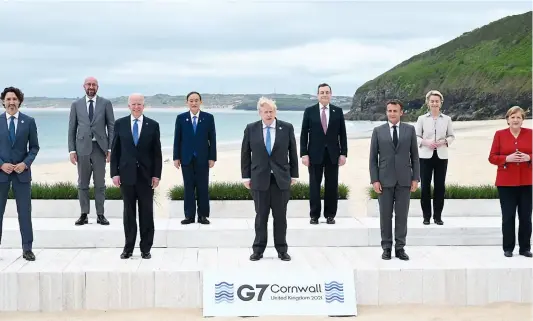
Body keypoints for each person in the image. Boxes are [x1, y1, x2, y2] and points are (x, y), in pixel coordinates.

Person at [241, 97, 298, 261]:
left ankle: (282, 250)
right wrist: (245, 176)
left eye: (271, 111)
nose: (268, 114)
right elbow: (245, 154)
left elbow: (293, 152)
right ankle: (258, 249)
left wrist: (293, 175)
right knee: (261, 216)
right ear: (260, 113)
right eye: (265, 111)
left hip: (281, 179)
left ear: (275, 112)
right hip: (259, 178)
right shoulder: (251, 129)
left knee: (280, 217)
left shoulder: (286, 128)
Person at [110, 93, 162, 259]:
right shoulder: (120, 124)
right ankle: (128, 248)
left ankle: (146, 248)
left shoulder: (153, 125)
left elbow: (157, 153)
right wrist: (114, 173)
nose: (136, 106)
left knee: (146, 213)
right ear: (128, 106)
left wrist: (156, 175)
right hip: (126, 176)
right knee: (129, 213)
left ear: (144, 106)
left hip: (146, 177)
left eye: (139, 104)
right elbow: (115, 151)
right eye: (133, 104)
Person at [369, 99, 420, 261]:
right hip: (384, 180)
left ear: (401, 112)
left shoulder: (410, 130)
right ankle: (386, 248)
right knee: (385, 216)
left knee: (402, 216)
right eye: (389, 111)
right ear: (386, 112)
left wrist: (415, 178)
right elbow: (372, 159)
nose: (392, 113)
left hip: (405, 180)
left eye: (395, 111)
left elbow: (415, 157)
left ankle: (400, 248)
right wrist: (374, 180)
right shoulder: (378, 131)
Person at [68, 77, 115, 226]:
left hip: (100, 148)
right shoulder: (76, 105)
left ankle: (100, 214)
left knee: (100, 183)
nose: (91, 87)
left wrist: (110, 149)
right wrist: (72, 150)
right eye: (89, 84)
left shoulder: (106, 103)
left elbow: (111, 126)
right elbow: (72, 128)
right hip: (82, 148)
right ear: (84, 86)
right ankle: (84, 214)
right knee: (82, 183)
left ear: (97, 87)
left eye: (94, 84)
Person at [0, 87, 40, 261]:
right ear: (3, 101)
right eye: (8, 99)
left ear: (19, 101)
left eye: (14, 99)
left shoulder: (28, 121)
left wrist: (25, 163)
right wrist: (1, 165)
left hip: (22, 175)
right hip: (1, 174)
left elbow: (34, 147)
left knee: (24, 212)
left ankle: (27, 248)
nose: (11, 102)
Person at [300, 83, 347, 225]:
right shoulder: (310, 111)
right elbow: (303, 134)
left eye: (327, 92)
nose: (324, 95)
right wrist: (304, 154)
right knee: (314, 185)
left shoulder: (337, 111)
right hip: (314, 154)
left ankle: (330, 215)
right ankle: (314, 215)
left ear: (331, 95)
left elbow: (342, 134)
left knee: (332, 185)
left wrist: (343, 153)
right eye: (322, 92)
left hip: (333, 154)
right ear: (318, 95)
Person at [488, 106, 532, 258]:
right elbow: (492, 157)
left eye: (518, 117)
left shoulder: (530, 134)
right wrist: (506, 158)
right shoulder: (499, 135)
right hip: (505, 183)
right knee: (508, 217)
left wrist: (529, 157)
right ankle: (508, 248)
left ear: (522, 120)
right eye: (512, 117)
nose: (515, 120)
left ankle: (525, 248)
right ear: (507, 119)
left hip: (527, 182)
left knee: (526, 217)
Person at [173, 92, 217, 225]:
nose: (194, 103)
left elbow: (212, 139)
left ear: (201, 102)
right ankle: (189, 216)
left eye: (196, 100)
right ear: (187, 102)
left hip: (203, 158)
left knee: (203, 187)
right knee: (188, 187)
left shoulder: (208, 118)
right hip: (186, 158)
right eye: (191, 101)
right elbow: (177, 139)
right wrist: (176, 157)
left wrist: (212, 157)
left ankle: (203, 215)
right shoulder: (181, 118)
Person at [415, 90, 455, 225]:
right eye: (432, 101)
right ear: (428, 102)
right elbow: (416, 137)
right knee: (425, 187)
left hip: (442, 156)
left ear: (440, 103)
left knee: (440, 187)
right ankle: (426, 217)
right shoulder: (421, 119)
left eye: (437, 101)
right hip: (425, 156)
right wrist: (426, 143)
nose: (434, 103)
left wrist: (444, 142)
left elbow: (451, 136)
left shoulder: (447, 119)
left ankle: (437, 217)